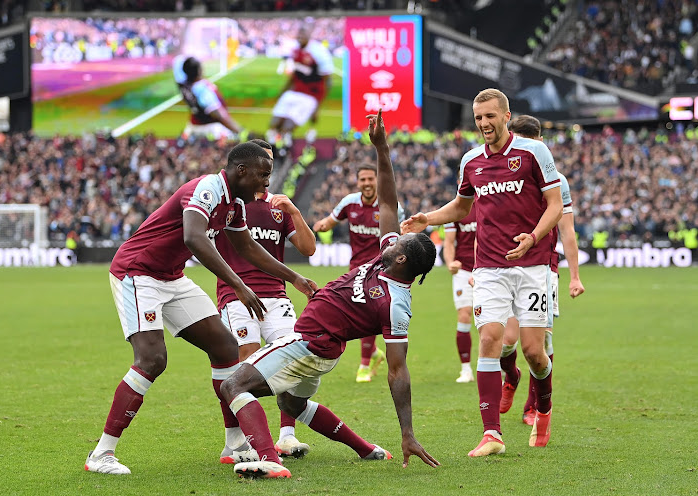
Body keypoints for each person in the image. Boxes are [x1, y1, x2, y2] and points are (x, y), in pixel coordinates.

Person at [221, 109, 440, 479]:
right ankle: (366, 449)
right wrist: (381, 147)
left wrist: (408, 432)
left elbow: (398, 371)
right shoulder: (386, 259)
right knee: (292, 401)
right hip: (323, 353)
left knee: (232, 384)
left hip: (307, 344)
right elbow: (388, 200)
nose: (392, 233)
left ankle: (267, 458)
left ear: (401, 256)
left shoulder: (395, 303)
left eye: (398, 239)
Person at [84, 141, 317, 475]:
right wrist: (238, 284)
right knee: (152, 359)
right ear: (242, 170)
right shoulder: (207, 188)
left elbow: (246, 246)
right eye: (263, 175)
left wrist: (294, 277)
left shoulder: (235, 202)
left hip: (170, 276)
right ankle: (101, 453)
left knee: (225, 347)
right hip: (137, 273)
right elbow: (194, 237)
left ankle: (234, 444)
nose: (267, 183)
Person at [401, 88, 563, 456]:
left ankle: (545, 407)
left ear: (506, 116)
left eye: (490, 116)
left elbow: (555, 206)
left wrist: (534, 235)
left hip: (533, 265)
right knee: (491, 338)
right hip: (489, 267)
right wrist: (429, 218)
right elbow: (460, 207)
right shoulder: (471, 160)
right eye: (478, 118)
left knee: (534, 352)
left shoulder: (534, 152)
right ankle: (492, 434)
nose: (484, 124)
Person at [214, 140, 317, 459]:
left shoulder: (278, 207)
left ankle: (286, 436)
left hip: (277, 298)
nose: (267, 173)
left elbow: (308, 249)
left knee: (291, 359)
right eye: (262, 165)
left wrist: (295, 211)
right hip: (236, 296)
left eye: (270, 165)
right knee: (246, 361)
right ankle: (247, 441)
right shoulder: (226, 204)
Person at [497, 115, 586, 424]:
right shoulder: (502, 171)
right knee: (504, 343)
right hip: (505, 266)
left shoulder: (555, 179)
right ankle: (511, 377)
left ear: (538, 143)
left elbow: (568, 231)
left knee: (541, 345)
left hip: (542, 269)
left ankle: (533, 406)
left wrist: (574, 276)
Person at [313, 165, 405, 383]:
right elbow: (331, 220)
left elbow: (401, 233)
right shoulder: (349, 202)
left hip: (382, 268)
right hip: (356, 269)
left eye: (370, 179)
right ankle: (372, 354)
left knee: (370, 310)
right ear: (358, 182)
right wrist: (321, 226)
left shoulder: (391, 205)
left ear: (377, 180)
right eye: (362, 179)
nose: (366, 183)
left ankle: (364, 364)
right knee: (362, 313)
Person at [267, 24, 334, 152]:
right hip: (294, 92)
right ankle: (273, 150)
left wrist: (317, 106)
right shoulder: (295, 51)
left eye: (303, 35)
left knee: (288, 126)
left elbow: (327, 81)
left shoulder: (319, 53)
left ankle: (284, 152)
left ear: (309, 36)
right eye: (299, 35)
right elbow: (294, 77)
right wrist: (282, 93)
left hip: (310, 96)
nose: (300, 37)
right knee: (274, 124)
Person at [442, 206, 478, 383]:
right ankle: (466, 370)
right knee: (464, 315)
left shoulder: (490, 200)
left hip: (490, 268)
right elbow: (449, 242)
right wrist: (450, 262)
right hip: (463, 270)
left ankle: (500, 366)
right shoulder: (456, 208)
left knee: (492, 319)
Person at [173, 55, 243, 140]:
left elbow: (178, 66)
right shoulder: (203, 90)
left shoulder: (183, 85)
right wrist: (241, 131)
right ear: (199, 70)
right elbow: (218, 115)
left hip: (194, 124)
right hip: (211, 129)